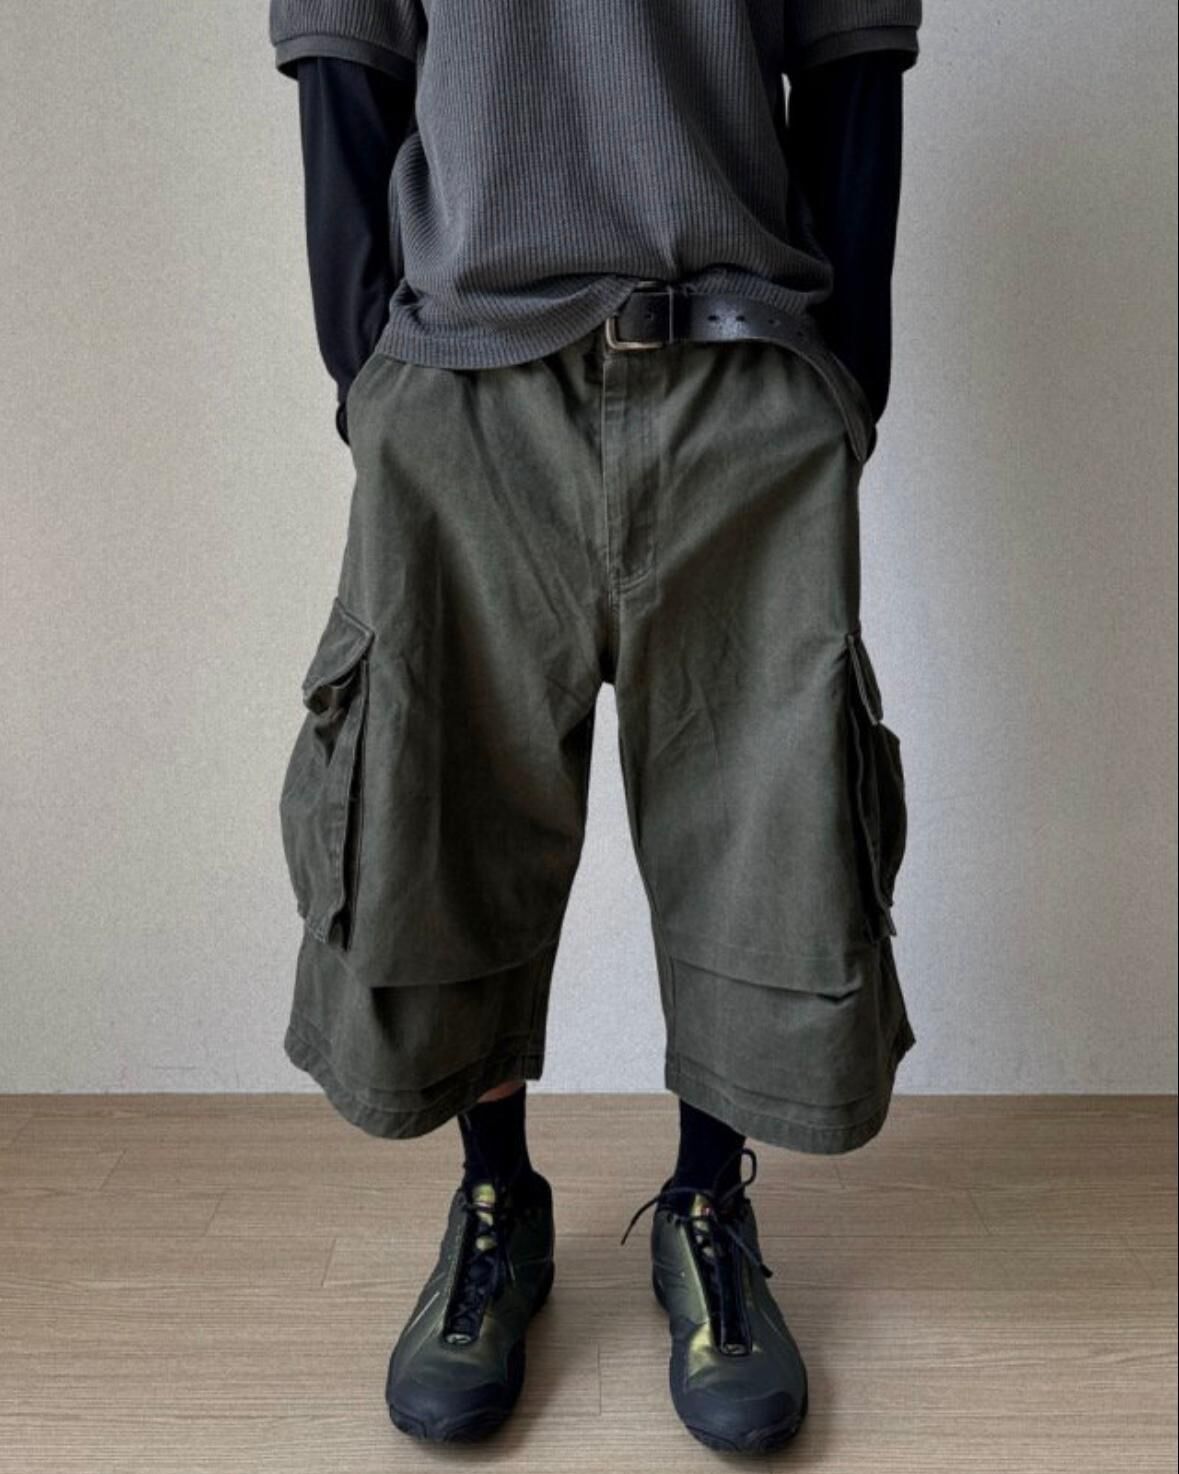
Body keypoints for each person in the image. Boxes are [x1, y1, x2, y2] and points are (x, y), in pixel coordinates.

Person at [269, 0, 921, 1454]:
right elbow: (346, 57)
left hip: (741, 370)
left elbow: (853, 55)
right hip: (464, 388)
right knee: (438, 810)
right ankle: (497, 1197)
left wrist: (841, 388)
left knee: (768, 824)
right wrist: (374, 384)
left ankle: (708, 1202)